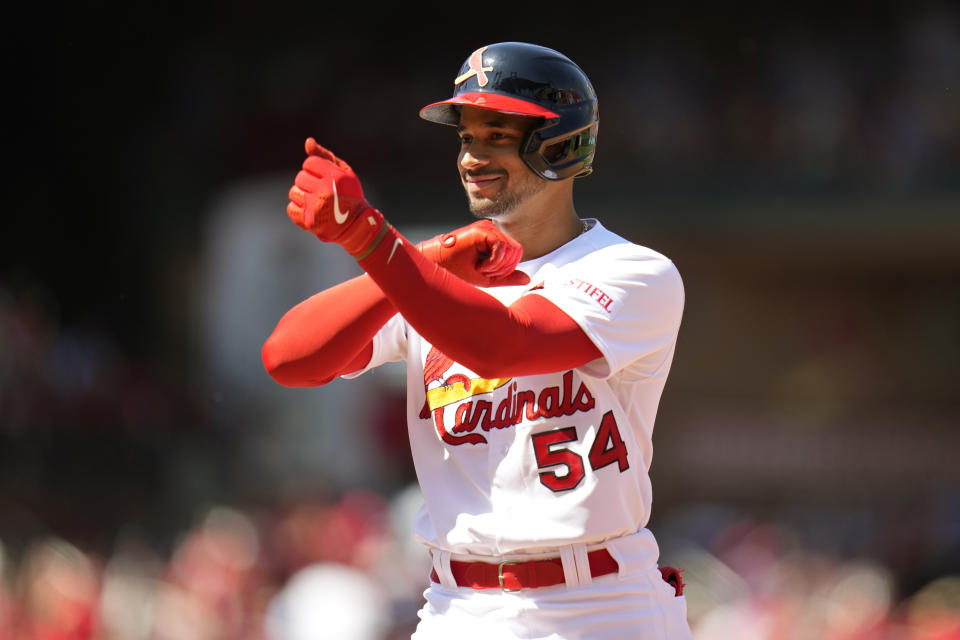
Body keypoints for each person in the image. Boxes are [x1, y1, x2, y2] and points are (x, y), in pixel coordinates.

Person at [261, 41, 692, 640]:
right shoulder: (427, 277)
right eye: (466, 138)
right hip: (456, 608)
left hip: (600, 604)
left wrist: (369, 236)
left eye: (496, 134)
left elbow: (505, 345)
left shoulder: (633, 271)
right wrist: (428, 255)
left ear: (558, 142)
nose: (472, 156)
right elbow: (289, 358)